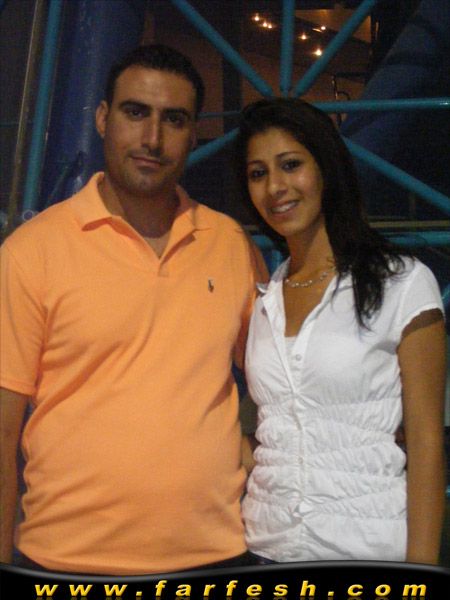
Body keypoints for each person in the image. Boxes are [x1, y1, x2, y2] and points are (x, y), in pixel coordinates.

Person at [0, 44, 267, 575]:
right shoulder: (32, 252)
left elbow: (282, 384)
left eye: (174, 119)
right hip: (66, 561)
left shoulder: (229, 244)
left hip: (215, 558)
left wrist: (248, 442)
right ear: (103, 118)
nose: (152, 138)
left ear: (193, 133)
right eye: (135, 112)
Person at [233, 97, 447, 564]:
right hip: (263, 550)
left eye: (291, 165)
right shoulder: (264, 300)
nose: (275, 187)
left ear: (326, 168)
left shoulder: (402, 284)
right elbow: (272, 430)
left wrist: (421, 571)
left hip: (367, 554)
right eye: (258, 173)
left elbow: (426, 443)